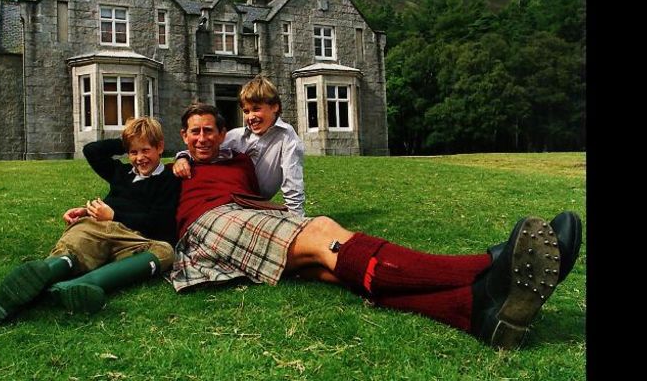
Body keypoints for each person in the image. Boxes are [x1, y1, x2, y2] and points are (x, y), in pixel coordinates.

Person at [167, 103, 582, 349]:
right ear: (183, 136)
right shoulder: (173, 170)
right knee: (321, 231)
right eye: (193, 133)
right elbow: (118, 161)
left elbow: (277, 137)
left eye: (209, 130)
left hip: (255, 212)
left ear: (225, 133)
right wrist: (169, 167)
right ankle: (486, 266)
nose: (202, 138)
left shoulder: (241, 158)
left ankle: (477, 312)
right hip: (212, 223)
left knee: (329, 266)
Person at [0, 116, 181, 324]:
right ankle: (34, 282)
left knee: (165, 252)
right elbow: (92, 150)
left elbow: (161, 221)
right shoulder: (121, 172)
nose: (140, 158)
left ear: (160, 147)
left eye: (145, 150)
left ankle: (73, 287)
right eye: (133, 152)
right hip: (98, 226)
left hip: (132, 238)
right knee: (76, 248)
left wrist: (115, 215)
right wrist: (128, 140)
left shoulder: (169, 178)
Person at [173, 75, 305, 216]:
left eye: (256, 109)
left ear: (274, 107)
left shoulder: (287, 138)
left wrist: (296, 221)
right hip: (227, 199)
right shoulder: (236, 136)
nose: (250, 117)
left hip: (255, 202)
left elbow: (293, 186)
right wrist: (182, 157)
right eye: (246, 111)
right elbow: (204, 148)